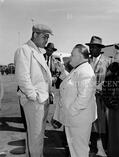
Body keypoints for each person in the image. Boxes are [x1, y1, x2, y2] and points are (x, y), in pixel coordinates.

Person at [14, 24, 53, 157]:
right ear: (35, 35)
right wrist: (33, 96)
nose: (46, 40)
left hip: (43, 100)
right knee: (35, 138)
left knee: (38, 137)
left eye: (47, 37)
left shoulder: (38, 52)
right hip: (34, 101)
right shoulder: (24, 50)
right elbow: (22, 78)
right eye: (44, 37)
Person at [53, 44, 97, 157]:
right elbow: (72, 81)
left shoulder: (85, 71)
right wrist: (62, 71)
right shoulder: (79, 69)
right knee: (75, 150)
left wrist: (69, 112)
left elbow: (83, 98)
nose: (70, 57)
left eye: (73, 55)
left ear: (81, 56)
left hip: (78, 119)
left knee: (79, 151)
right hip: (75, 118)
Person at [86, 36, 111, 157]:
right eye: (90, 47)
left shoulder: (108, 61)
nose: (91, 49)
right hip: (89, 98)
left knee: (104, 125)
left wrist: (104, 86)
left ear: (99, 48)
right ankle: (93, 148)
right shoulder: (86, 61)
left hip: (102, 99)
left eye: (93, 47)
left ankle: (107, 149)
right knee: (91, 123)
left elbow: (111, 80)